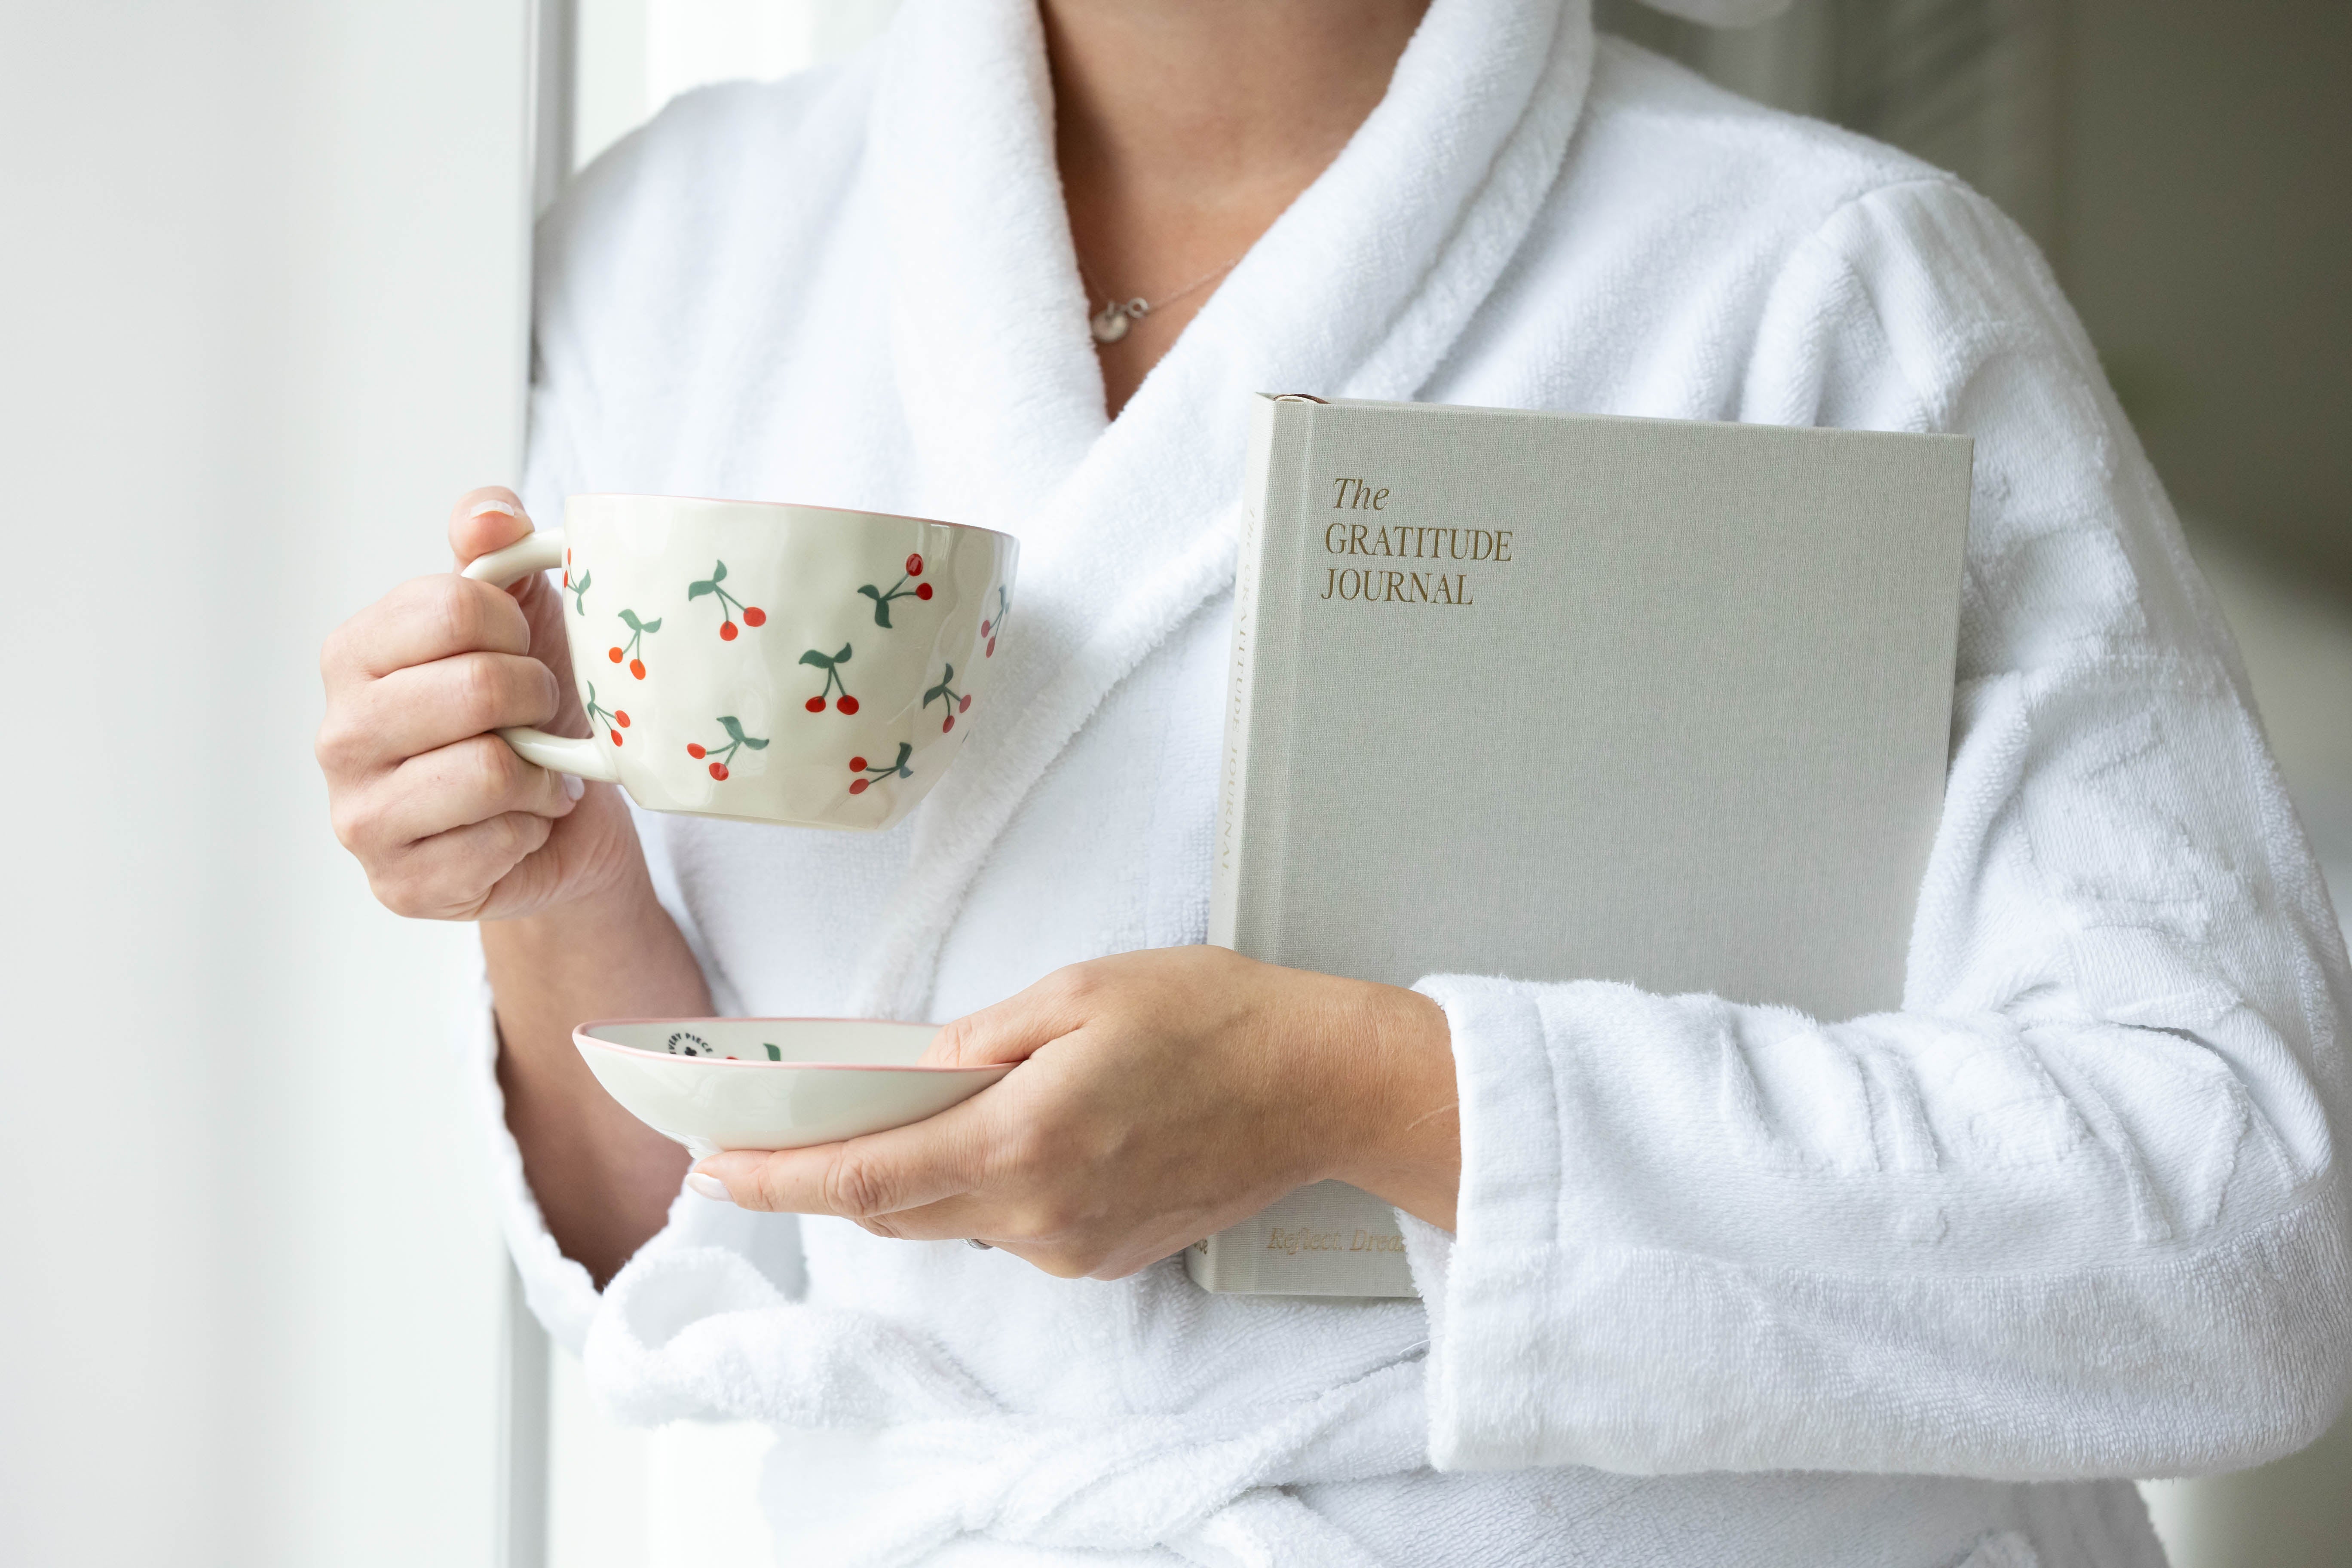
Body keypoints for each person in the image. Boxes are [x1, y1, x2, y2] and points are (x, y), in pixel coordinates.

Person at [314, 0, 2352, 1562]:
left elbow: (2242, 1239)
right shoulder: (679, 243)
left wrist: (1370, 1094)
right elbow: (685, 1249)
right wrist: (554, 891)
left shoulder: (1833, 282)